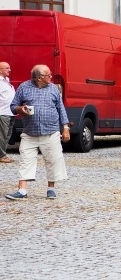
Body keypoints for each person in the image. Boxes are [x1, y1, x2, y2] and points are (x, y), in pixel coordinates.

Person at [5, 65, 70, 200]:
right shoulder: (24, 87)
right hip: (29, 132)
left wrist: (65, 128)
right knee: (25, 160)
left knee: (53, 160)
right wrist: (20, 109)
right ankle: (22, 190)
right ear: (39, 78)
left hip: (50, 131)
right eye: (48, 75)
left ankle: (51, 189)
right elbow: (12, 107)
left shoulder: (53, 89)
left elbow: (61, 109)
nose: (51, 77)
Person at [0, 62, 15, 163]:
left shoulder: (7, 81)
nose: (9, 70)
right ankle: (1, 155)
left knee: (8, 134)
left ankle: (3, 153)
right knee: (2, 134)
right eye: (7, 68)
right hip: (3, 111)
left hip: (11, 112)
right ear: (0, 70)